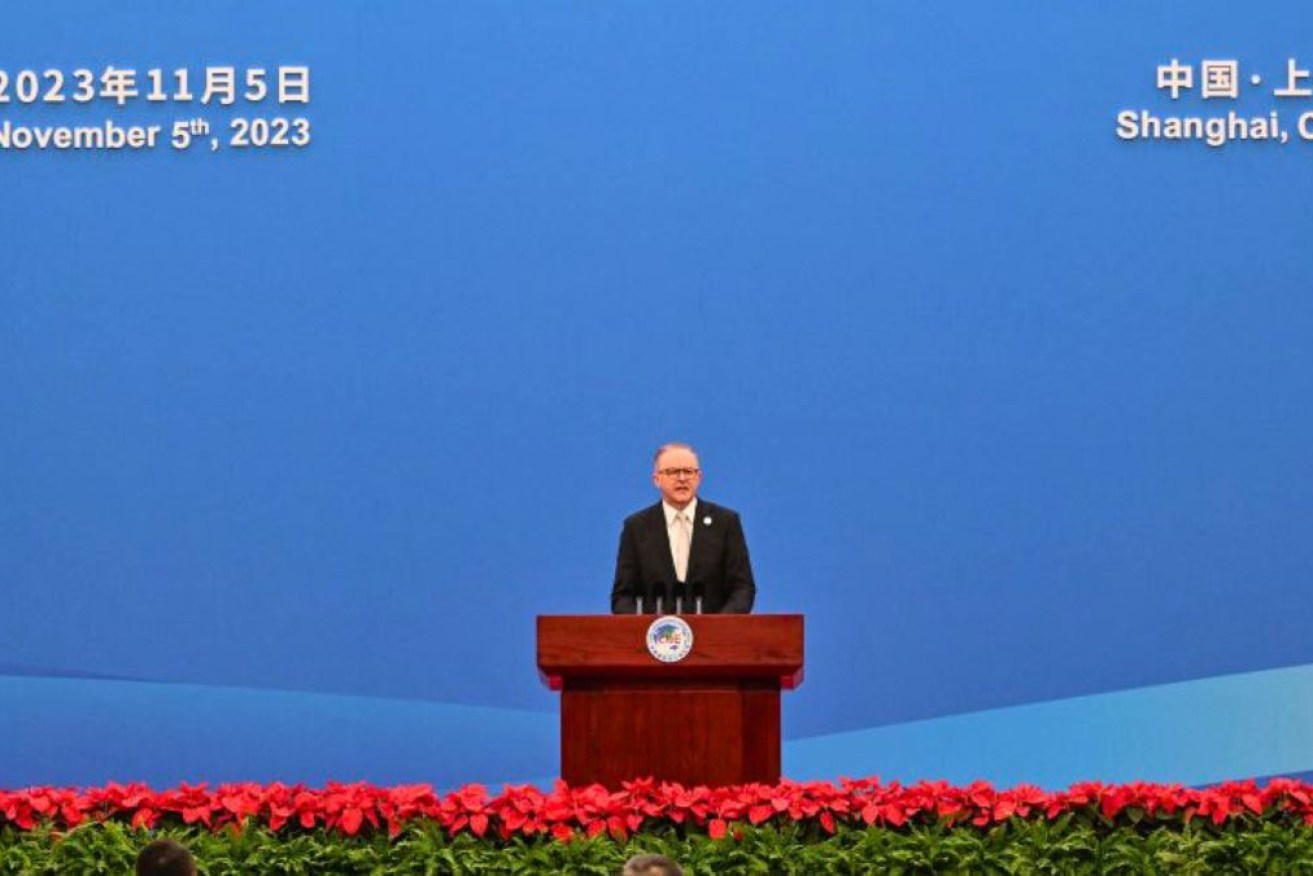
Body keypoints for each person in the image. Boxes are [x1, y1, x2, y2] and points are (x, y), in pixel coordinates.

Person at [611, 442, 755, 614]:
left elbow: (742, 588)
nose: (682, 478)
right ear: (656, 479)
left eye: (688, 471)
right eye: (672, 472)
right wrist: (646, 630)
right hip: (654, 637)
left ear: (699, 477)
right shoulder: (636, 527)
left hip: (714, 637)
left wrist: (719, 628)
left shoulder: (725, 522)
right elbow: (623, 597)